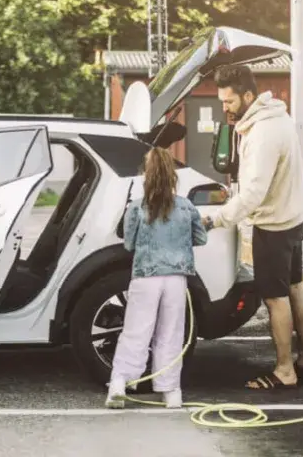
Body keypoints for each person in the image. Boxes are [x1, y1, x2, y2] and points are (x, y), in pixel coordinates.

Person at [202, 65, 303, 390]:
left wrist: (216, 219)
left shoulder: (263, 133)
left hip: (275, 227)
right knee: (296, 286)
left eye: (229, 101)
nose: (224, 108)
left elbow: (252, 194)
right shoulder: (278, 117)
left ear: (248, 96)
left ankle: (284, 371)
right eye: (222, 101)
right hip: (296, 216)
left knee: (275, 298)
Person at [105, 147, 207, 409]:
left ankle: (120, 383)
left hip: (146, 276)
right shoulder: (186, 207)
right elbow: (200, 238)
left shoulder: (138, 207)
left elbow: (129, 244)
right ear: (172, 174)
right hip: (175, 278)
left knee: (136, 330)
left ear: (146, 174)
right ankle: (171, 391)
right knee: (171, 334)